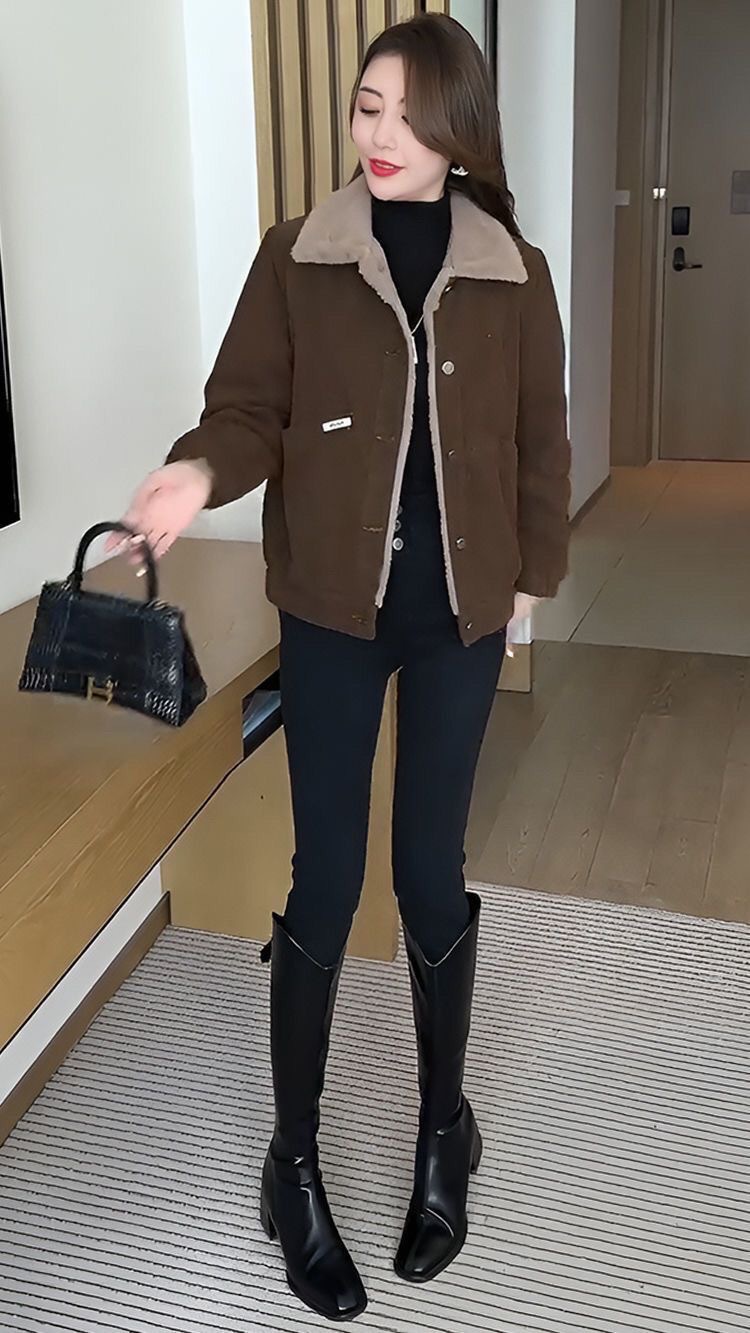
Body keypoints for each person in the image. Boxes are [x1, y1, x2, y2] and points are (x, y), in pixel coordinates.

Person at [109, 12, 571, 1323]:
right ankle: (293, 1162)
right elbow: (245, 409)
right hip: (329, 609)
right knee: (324, 879)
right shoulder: (297, 257)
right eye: (369, 106)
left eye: (411, 113)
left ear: (459, 129)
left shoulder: (514, 271)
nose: (383, 133)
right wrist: (194, 474)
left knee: (428, 874)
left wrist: (526, 581)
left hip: (457, 617)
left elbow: (541, 439)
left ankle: (442, 1130)